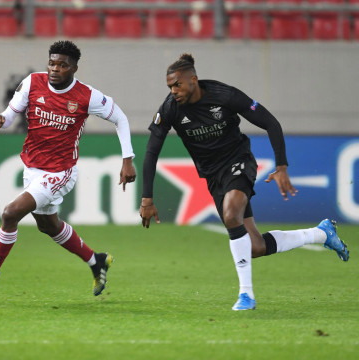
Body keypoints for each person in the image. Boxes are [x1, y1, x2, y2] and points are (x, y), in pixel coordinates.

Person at [140, 53, 349, 311]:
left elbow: (271, 123)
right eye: (169, 87)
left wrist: (281, 165)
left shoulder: (224, 95)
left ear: (193, 80)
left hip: (238, 160)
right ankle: (320, 233)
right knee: (255, 247)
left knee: (231, 216)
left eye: (177, 85)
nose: (173, 91)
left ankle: (246, 295)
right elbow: (151, 151)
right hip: (213, 175)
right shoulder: (171, 109)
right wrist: (147, 198)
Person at [0, 40, 136, 297]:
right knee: (48, 226)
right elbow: (13, 111)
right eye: (52, 63)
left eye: (62, 65)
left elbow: (120, 118)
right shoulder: (33, 82)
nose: (55, 68)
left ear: (74, 68)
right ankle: (95, 260)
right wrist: (3, 119)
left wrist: (127, 159)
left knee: (11, 213)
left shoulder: (87, 96)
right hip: (32, 167)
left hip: (60, 172)